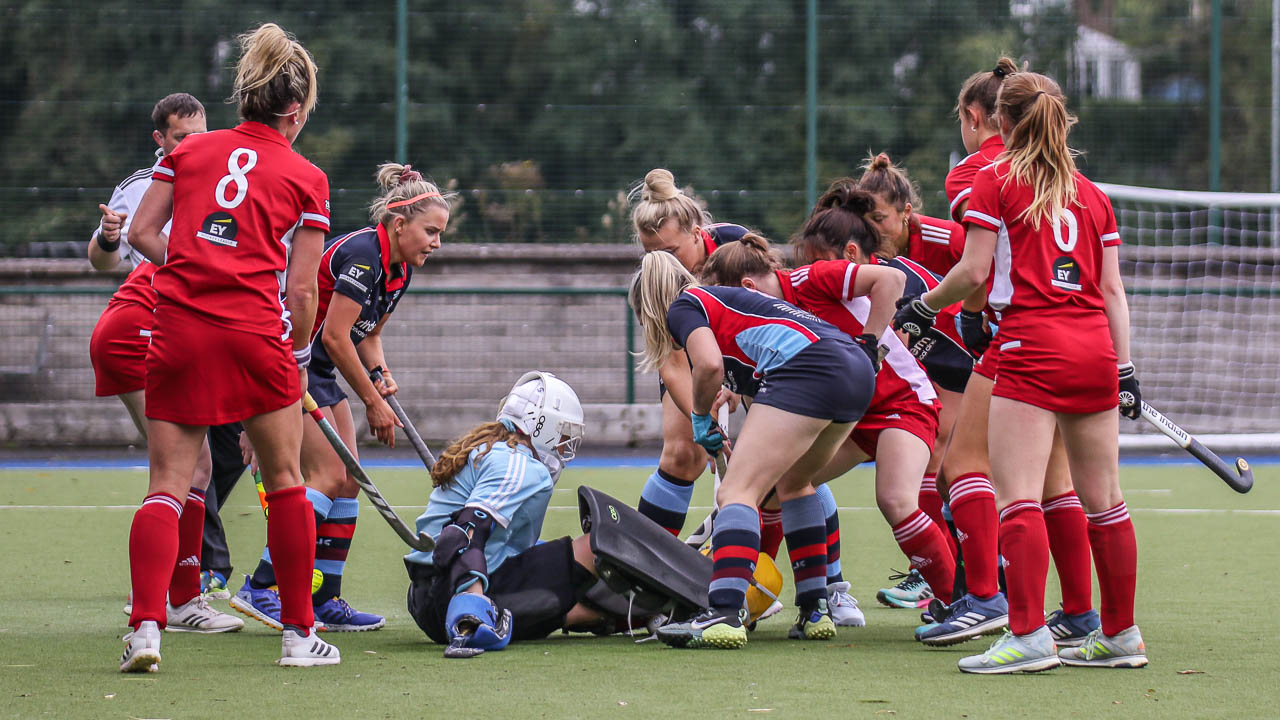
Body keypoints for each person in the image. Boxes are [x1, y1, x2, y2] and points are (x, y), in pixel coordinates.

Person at [894, 71, 1145, 673]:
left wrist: (923, 306)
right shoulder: (1091, 193)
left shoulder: (994, 178)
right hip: (1094, 352)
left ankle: (1030, 636)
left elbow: (974, 271)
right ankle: (1119, 636)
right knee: (1106, 501)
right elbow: (1112, 290)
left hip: (1031, 348)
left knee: (1018, 498)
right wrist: (1126, 369)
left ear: (1001, 122)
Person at [120, 23, 339, 671]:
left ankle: (146, 630)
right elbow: (302, 293)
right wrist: (297, 356)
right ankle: (300, 637)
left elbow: (141, 231)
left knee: (166, 484)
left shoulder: (188, 150)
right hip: (254, 336)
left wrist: (191, 269)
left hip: (179, 330)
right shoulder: (307, 176)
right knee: (287, 483)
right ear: (293, 109)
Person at [917, 59, 1100, 650]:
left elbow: (976, 267)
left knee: (965, 466)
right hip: (1085, 338)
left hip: (1017, 337)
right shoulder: (1075, 181)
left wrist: (938, 309)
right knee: (1060, 489)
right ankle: (1081, 616)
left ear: (981, 117)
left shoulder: (976, 173)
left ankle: (990, 603)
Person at [629, 169, 859, 625]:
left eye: (671, 250)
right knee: (685, 456)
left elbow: (752, 331)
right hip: (828, 366)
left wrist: (719, 397)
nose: (661, 259)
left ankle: (738, 606)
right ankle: (645, 576)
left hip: (778, 361)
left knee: (753, 478)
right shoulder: (661, 286)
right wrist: (703, 414)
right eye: (650, 252)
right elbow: (677, 364)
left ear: (699, 235)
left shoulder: (731, 252)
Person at [701, 227, 961, 627]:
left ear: (748, 288)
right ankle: (757, 590)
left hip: (901, 403)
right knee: (774, 486)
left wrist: (870, 342)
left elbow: (891, 280)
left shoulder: (809, 279)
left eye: (734, 302)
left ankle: (957, 605)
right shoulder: (773, 319)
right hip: (850, 415)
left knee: (894, 498)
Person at [233, 163, 452, 633]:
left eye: (440, 234)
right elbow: (334, 336)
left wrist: (382, 376)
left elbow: (365, 336)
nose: (437, 242)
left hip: (322, 367)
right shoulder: (363, 255)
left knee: (350, 481)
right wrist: (372, 400)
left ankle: (323, 597)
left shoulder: (398, 271)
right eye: (431, 232)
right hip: (292, 359)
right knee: (328, 474)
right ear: (399, 225)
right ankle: (261, 585)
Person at [87, 93, 244, 633]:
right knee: (182, 469)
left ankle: (177, 595)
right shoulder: (141, 186)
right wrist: (109, 237)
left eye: (201, 134)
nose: (193, 145)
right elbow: (107, 257)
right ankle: (164, 602)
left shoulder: (223, 177)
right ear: (161, 140)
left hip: (177, 329)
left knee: (199, 466)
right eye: (182, 138)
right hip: (150, 326)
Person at [405, 372, 597, 652]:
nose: (563, 446)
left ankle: (626, 615)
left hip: (426, 596)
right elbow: (466, 532)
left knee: (571, 577)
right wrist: (469, 613)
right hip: (451, 596)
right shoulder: (520, 464)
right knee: (595, 547)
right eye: (563, 435)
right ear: (541, 424)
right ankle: (660, 603)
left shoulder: (489, 449)